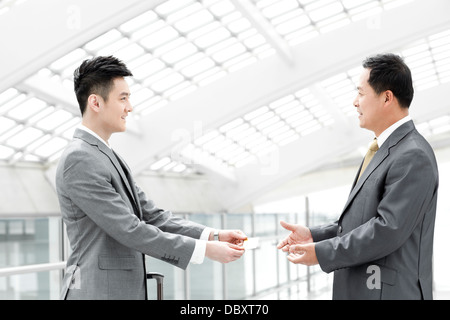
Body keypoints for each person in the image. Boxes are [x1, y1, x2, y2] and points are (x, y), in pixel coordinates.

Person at [56, 56, 247, 300]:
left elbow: (151, 216)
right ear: (95, 102)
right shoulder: (79, 159)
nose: (129, 107)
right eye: (123, 98)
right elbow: (130, 229)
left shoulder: (106, 155)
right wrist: (205, 250)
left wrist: (214, 236)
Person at [277, 53, 439, 300]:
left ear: (387, 97)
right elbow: (363, 220)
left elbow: (386, 230)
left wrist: (322, 252)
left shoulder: (413, 155)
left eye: (361, 93)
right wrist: (316, 235)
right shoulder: (384, 149)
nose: (355, 102)